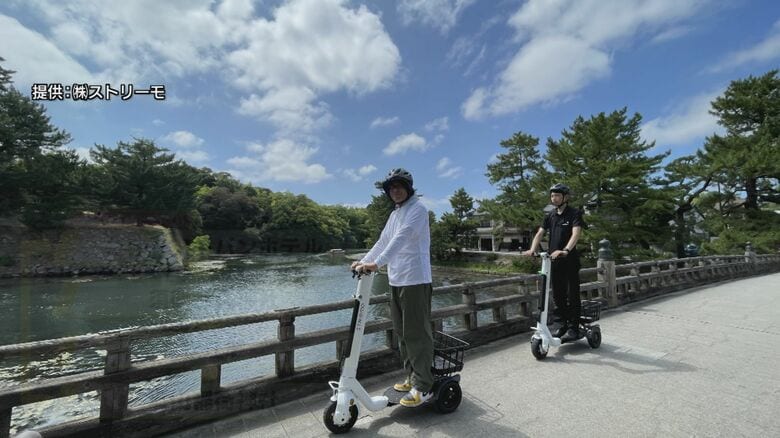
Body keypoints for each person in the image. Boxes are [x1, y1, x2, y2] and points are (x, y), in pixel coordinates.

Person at [351, 168, 434, 408]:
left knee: (417, 333)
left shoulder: (417, 209)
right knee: (402, 332)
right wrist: (363, 260)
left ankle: (424, 385)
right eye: (391, 188)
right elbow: (383, 240)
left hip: (415, 279)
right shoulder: (395, 214)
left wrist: (376, 264)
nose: (395, 191)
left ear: (408, 187)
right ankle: (412, 376)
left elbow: (403, 238)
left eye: (399, 186)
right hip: (397, 280)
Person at [522, 183, 584, 342]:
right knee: (558, 295)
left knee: (572, 295)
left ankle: (574, 327)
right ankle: (561, 324)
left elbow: (575, 234)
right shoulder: (550, 215)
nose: (554, 198)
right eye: (552, 196)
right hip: (553, 262)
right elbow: (540, 233)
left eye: (557, 195)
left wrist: (566, 250)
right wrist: (532, 249)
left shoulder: (574, 213)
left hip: (569, 261)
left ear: (565, 197)